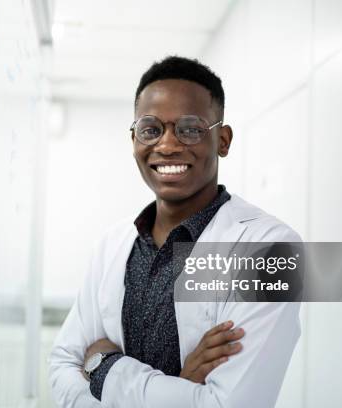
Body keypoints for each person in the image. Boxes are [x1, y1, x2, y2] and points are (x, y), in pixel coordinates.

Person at [48, 56, 301, 407]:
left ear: (223, 141)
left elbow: (225, 404)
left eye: (190, 129)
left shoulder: (271, 248)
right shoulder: (113, 245)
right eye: (151, 129)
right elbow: (62, 366)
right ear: (134, 138)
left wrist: (104, 367)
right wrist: (178, 387)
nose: (167, 145)